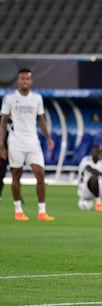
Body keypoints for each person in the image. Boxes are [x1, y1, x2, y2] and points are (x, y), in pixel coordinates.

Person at [0, 68, 54, 221]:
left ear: (31, 81)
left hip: (32, 140)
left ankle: (42, 212)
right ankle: (18, 211)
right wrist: (1, 145)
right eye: (22, 79)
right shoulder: (10, 99)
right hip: (16, 140)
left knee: (40, 173)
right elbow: (3, 122)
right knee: (17, 174)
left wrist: (48, 138)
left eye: (27, 79)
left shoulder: (37, 98)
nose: (25, 81)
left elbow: (41, 119)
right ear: (18, 80)